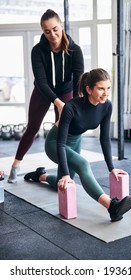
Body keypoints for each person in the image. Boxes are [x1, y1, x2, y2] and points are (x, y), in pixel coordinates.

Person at [24, 68, 131, 222]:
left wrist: (111, 167)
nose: (106, 93)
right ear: (89, 89)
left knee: (62, 183)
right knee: (83, 165)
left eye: (108, 88)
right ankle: (112, 206)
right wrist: (67, 174)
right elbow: (60, 143)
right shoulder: (71, 107)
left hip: (75, 142)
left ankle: (40, 175)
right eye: (101, 88)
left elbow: (104, 139)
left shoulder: (106, 106)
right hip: (55, 143)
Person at [7, 9, 84, 183]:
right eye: (47, 31)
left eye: (55, 29)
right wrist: (56, 102)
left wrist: (74, 104)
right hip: (43, 91)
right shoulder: (38, 51)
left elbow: (78, 82)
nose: (52, 34)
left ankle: (62, 172)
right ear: (43, 31)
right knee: (33, 128)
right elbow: (41, 81)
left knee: (64, 131)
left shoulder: (75, 50)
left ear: (61, 26)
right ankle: (16, 165)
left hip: (65, 91)